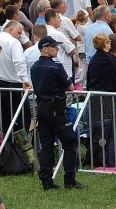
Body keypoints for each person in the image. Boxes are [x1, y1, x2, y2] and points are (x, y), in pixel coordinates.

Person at [30, 36, 84, 190]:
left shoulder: (34, 67)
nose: (57, 49)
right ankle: (70, 179)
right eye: (54, 47)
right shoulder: (56, 67)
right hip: (56, 108)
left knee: (46, 145)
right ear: (45, 49)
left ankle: (46, 181)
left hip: (41, 107)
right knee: (70, 141)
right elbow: (70, 87)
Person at [85, 33, 116, 167]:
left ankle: (97, 154)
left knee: (98, 128)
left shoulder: (94, 59)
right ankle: (111, 155)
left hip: (95, 97)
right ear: (106, 44)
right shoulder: (111, 59)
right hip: (108, 97)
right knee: (111, 128)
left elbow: (89, 79)